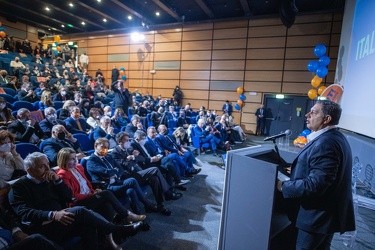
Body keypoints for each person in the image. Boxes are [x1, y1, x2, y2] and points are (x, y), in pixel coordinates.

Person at [8, 152, 144, 250]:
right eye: (42, 167)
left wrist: (58, 181)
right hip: (44, 225)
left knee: (88, 224)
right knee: (81, 211)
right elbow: (24, 213)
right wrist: (53, 214)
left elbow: (68, 197)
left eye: (48, 165)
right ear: (30, 170)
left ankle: (114, 234)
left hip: (63, 218)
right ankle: (118, 229)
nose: (48, 169)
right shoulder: (19, 187)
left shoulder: (49, 179)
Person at [276, 100, 355, 250]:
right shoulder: (336, 137)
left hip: (316, 217)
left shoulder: (326, 143)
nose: (307, 115)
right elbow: (326, 174)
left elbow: (316, 185)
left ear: (326, 119)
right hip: (325, 217)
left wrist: (282, 186)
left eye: (313, 112)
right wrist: (298, 170)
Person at [56, 147, 147, 225]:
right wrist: (91, 195)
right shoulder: (62, 174)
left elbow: (87, 183)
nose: (75, 160)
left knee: (107, 204)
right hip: (79, 203)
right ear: (64, 160)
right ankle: (127, 215)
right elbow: (73, 196)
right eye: (71, 159)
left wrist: (94, 191)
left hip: (89, 196)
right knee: (107, 193)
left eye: (75, 157)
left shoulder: (79, 167)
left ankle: (110, 237)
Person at [111, 132, 179, 215]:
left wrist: (132, 158)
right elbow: (126, 166)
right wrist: (133, 157)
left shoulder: (129, 148)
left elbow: (141, 158)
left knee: (155, 179)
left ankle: (160, 205)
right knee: (155, 169)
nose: (128, 142)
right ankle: (168, 193)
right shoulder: (115, 152)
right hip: (129, 177)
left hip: (138, 172)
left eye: (129, 140)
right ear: (119, 142)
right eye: (126, 140)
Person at [87, 138, 157, 215]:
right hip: (107, 187)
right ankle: (148, 204)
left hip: (117, 182)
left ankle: (138, 215)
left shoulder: (108, 156)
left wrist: (115, 173)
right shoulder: (91, 161)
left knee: (130, 190)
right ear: (95, 146)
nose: (105, 150)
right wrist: (114, 171)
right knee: (132, 180)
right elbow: (107, 172)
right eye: (103, 147)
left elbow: (121, 169)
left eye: (107, 148)